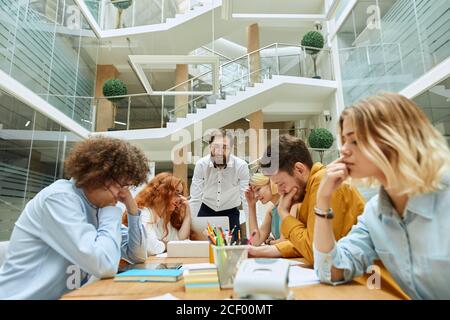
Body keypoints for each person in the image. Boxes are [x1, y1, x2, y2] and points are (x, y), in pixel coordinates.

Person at [314, 93, 450, 299]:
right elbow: (331, 271)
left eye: (355, 140)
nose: (343, 150)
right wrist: (322, 202)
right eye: (344, 140)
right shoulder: (374, 214)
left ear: (394, 137)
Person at [0, 136, 150, 299]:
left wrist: (132, 210)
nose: (123, 193)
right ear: (98, 175)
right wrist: (110, 210)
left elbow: (138, 256)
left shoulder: (97, 206)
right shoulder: (60, 199)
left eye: (127, 187)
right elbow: (104, 265)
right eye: (121, 185)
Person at [248, 134, 365, 265]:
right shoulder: (307, 191)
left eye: (281, 184)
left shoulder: (323, 182)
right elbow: (306, 241)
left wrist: (284, 214)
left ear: (299, 169)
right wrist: (259, 251)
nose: (280, 191)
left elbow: (317, 253)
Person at [190, 129, 249, 241]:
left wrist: (252, 234)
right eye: (215, 146)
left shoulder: (241, 166)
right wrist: (190, 229)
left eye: (224, 147)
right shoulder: (201, 165)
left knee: (233, 248)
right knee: (202, 249)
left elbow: (246, 201)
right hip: (206, 210)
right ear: (210, 146)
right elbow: (195, 199)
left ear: (231, 149)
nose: (219, 151)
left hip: (231, 214)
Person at [133, 172, 191, 255]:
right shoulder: (145, 213)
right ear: (162, 192)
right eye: (176, 193)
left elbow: (178, 241)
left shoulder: (165, 217)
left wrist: (187, 215)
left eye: (180, 194)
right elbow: (152, 248)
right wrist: (167, 244)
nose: (180, 199)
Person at [245, 173, 296, 245]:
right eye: (254, 192)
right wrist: (251, 205)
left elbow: (284, 242)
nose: (256, 196)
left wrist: (269, 242)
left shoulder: (291, 205)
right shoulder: (271, 211)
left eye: (258, 189)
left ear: (271, 183)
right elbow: (255, 241)